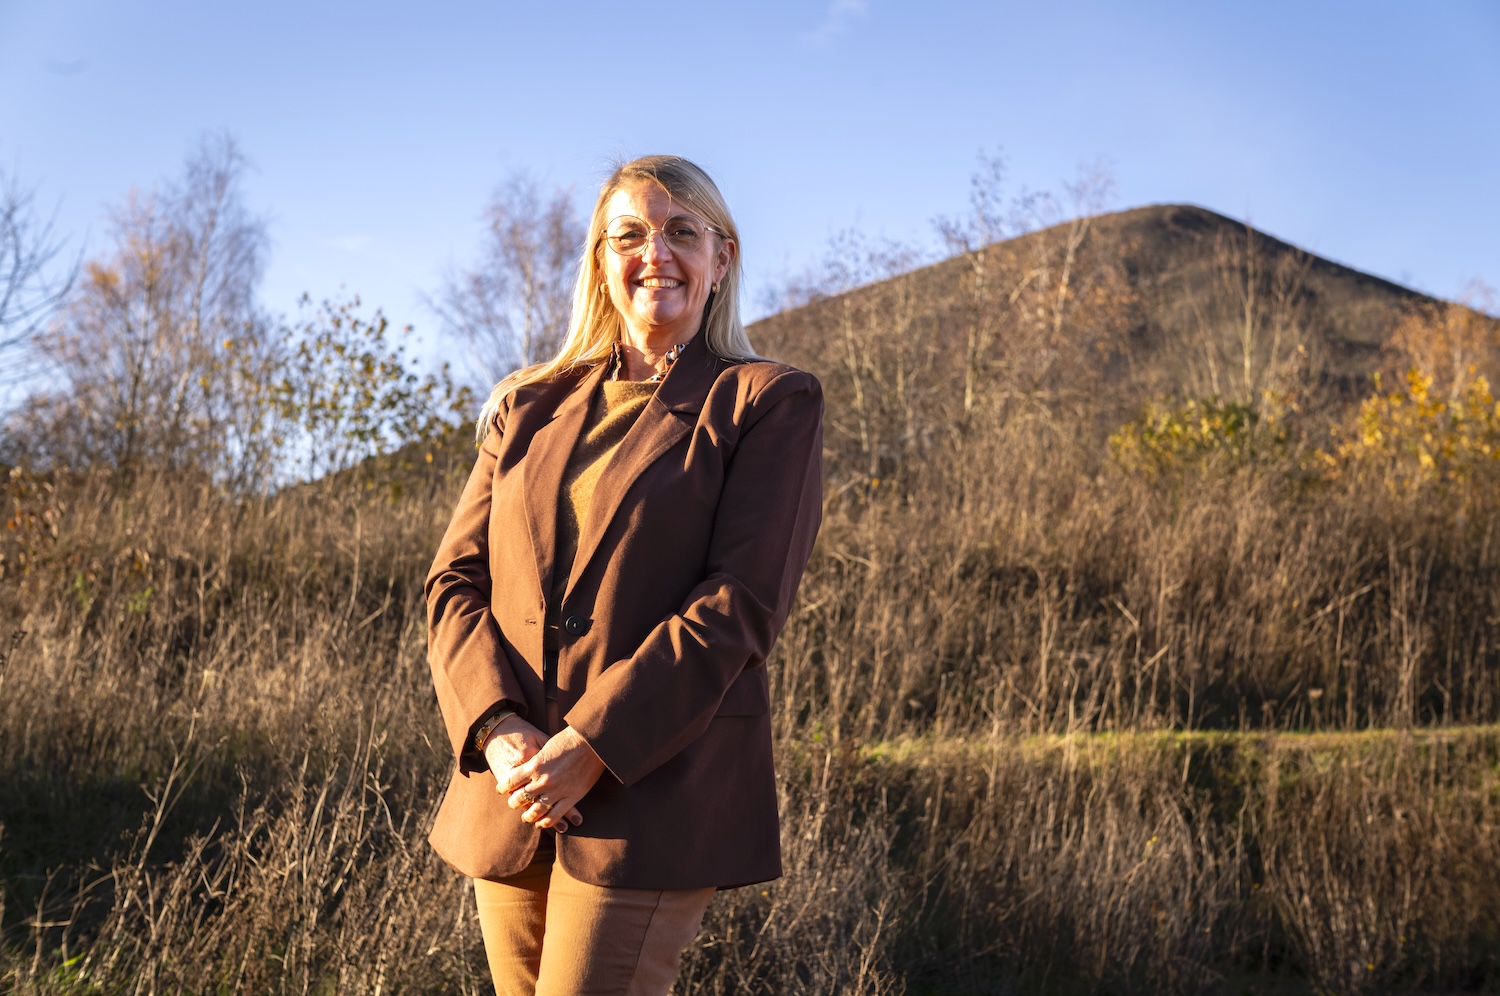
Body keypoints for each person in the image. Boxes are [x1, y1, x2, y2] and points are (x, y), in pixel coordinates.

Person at [424, 155, 824, 995]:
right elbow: (454, 584)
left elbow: (739, 604)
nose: (657, 253)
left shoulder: (768, 402)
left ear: (723, 258)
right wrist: (499, 733)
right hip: (516, 791)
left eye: (683, 231)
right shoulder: (527, 404)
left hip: (652, 790)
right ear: (602, 263)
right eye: (630, 234)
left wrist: (593, 745)